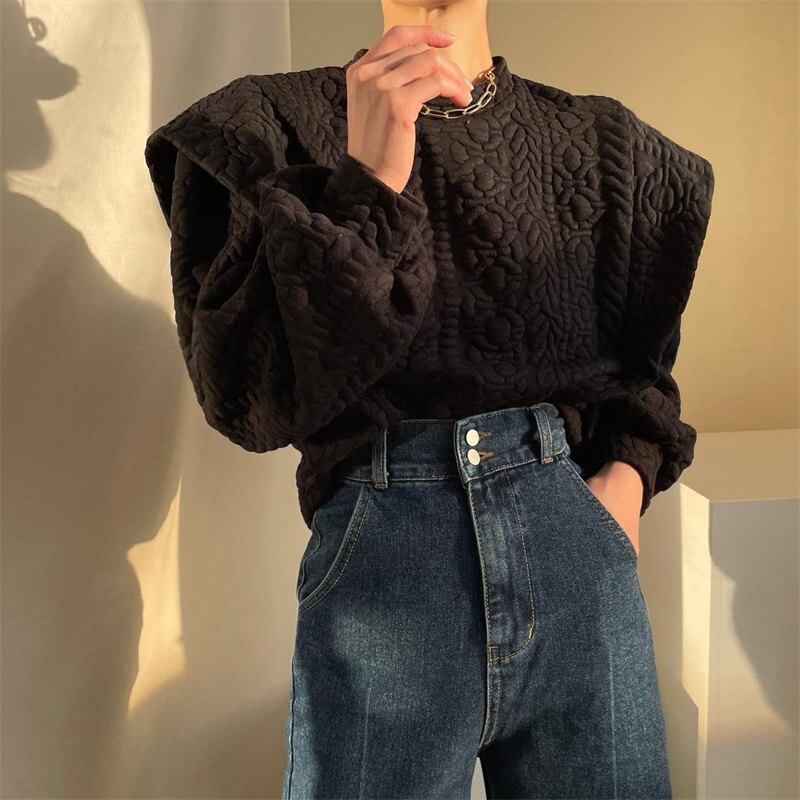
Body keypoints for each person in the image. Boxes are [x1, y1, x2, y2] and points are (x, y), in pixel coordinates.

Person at [144, 1, 714, 796]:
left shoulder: (607, 145)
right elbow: (247, 396)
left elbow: (639, 376)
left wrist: (616, 495)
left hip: (578, 571)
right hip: (387, 570)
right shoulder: (264, 129)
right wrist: (368, 185)